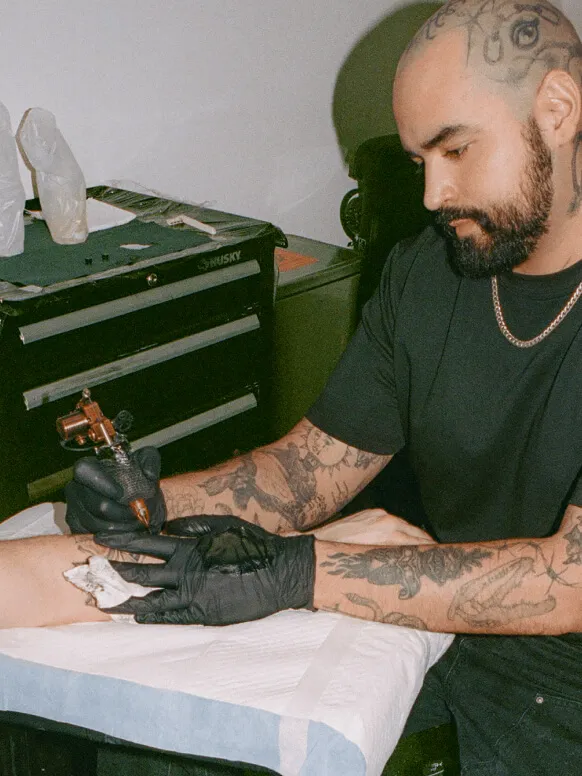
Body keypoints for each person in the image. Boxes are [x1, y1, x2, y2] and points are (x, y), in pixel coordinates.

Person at [12, 0, 582, 772]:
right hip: (442, 618)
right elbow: (304, 469)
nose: (432, 197)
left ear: (557, 109)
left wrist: (302, 572)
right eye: (421, 164)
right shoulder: (431, 273)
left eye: (456, 151)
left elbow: (568, 580)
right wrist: (155, 504)